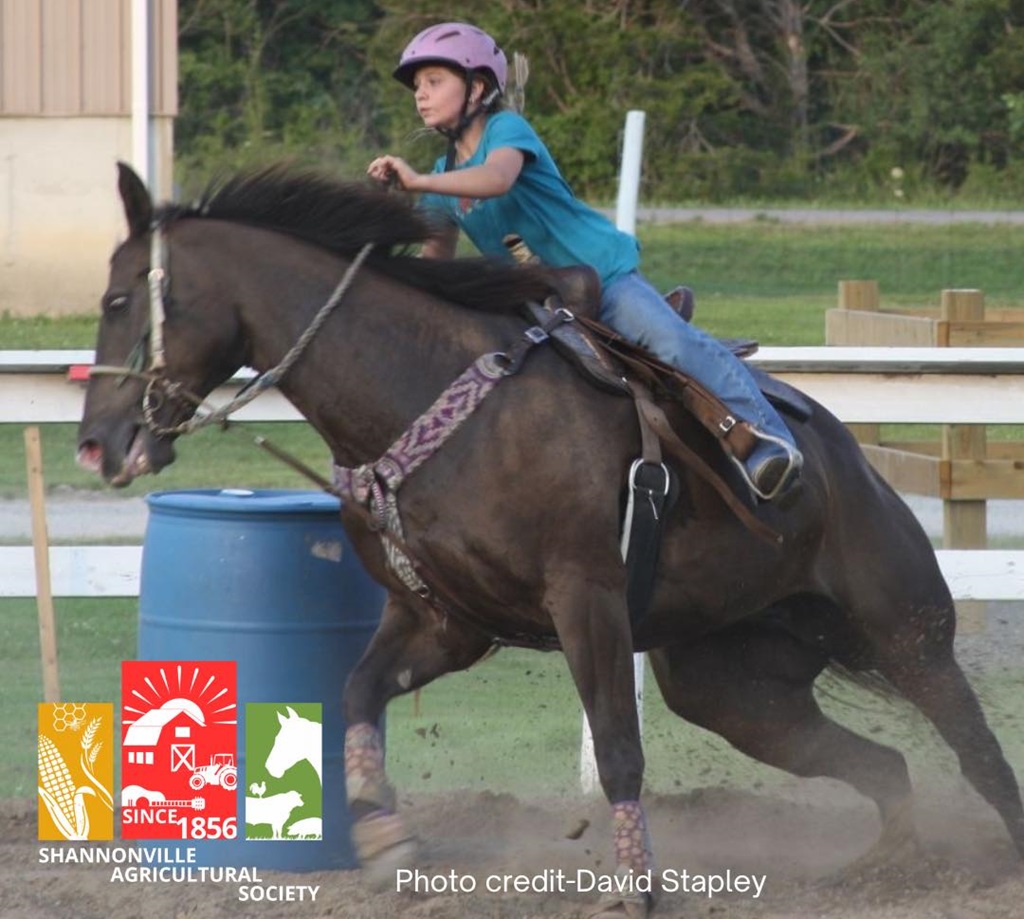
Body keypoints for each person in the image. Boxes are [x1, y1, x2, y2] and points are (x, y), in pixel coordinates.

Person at [367, 21, 802, 501]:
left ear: (479, 87)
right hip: (540, 305)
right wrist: (394, 208)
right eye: (416, 87)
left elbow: (496, 179)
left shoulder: (507, 131)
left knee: (670, 343)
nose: (420, 95)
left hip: (602, 281)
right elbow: (437, 265)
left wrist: (419, 184)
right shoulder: (440, 181)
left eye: (433, 82)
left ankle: (767, 440)